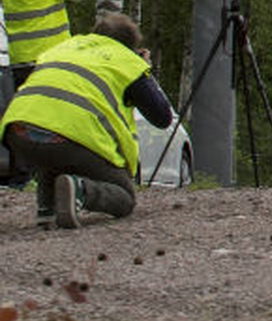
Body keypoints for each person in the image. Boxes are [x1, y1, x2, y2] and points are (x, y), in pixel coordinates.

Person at [0, 13, 172, 228]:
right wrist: (144, 69)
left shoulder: (63, 48)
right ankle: (81, 190)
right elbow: (163, 117)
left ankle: (47, 206)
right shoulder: (127, 61)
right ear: (130, 45)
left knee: (52, 136)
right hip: (69, 140)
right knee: (124, 197)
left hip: (17, 131)